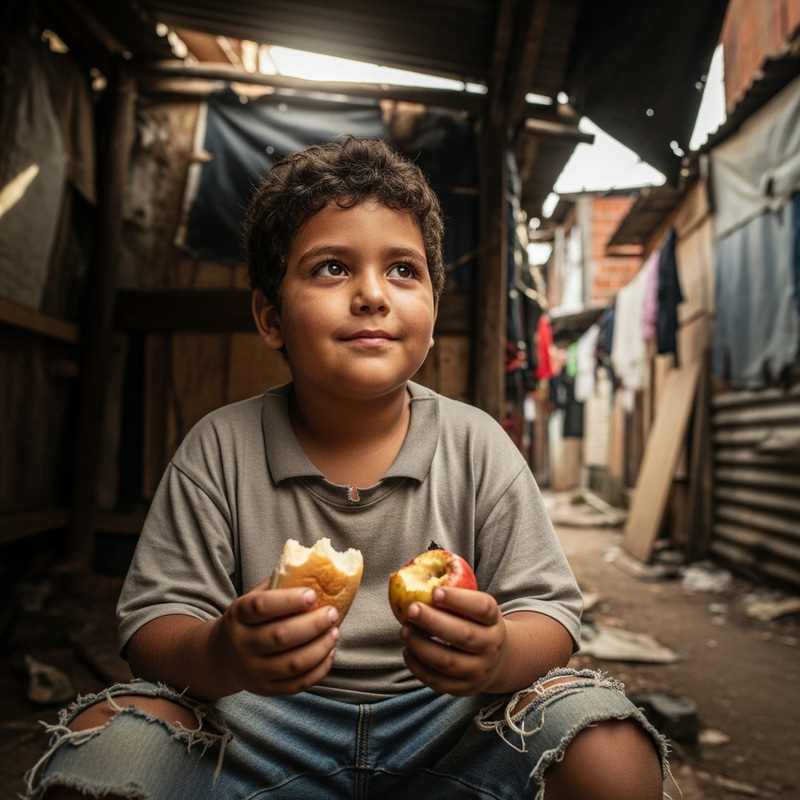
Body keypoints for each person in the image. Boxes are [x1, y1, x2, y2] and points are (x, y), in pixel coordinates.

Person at [25, 135, 669, 800]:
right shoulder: (218, 448)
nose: (371, 295)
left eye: (403, 270)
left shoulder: (478, 445)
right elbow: (154, 627)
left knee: (611, 753)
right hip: (258, 729)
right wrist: (222, 652)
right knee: (104, 749)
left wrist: (499, 653)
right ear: (271, 317)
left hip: (449, 727)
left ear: (433, 312)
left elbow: (549, 613)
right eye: (332, 268)